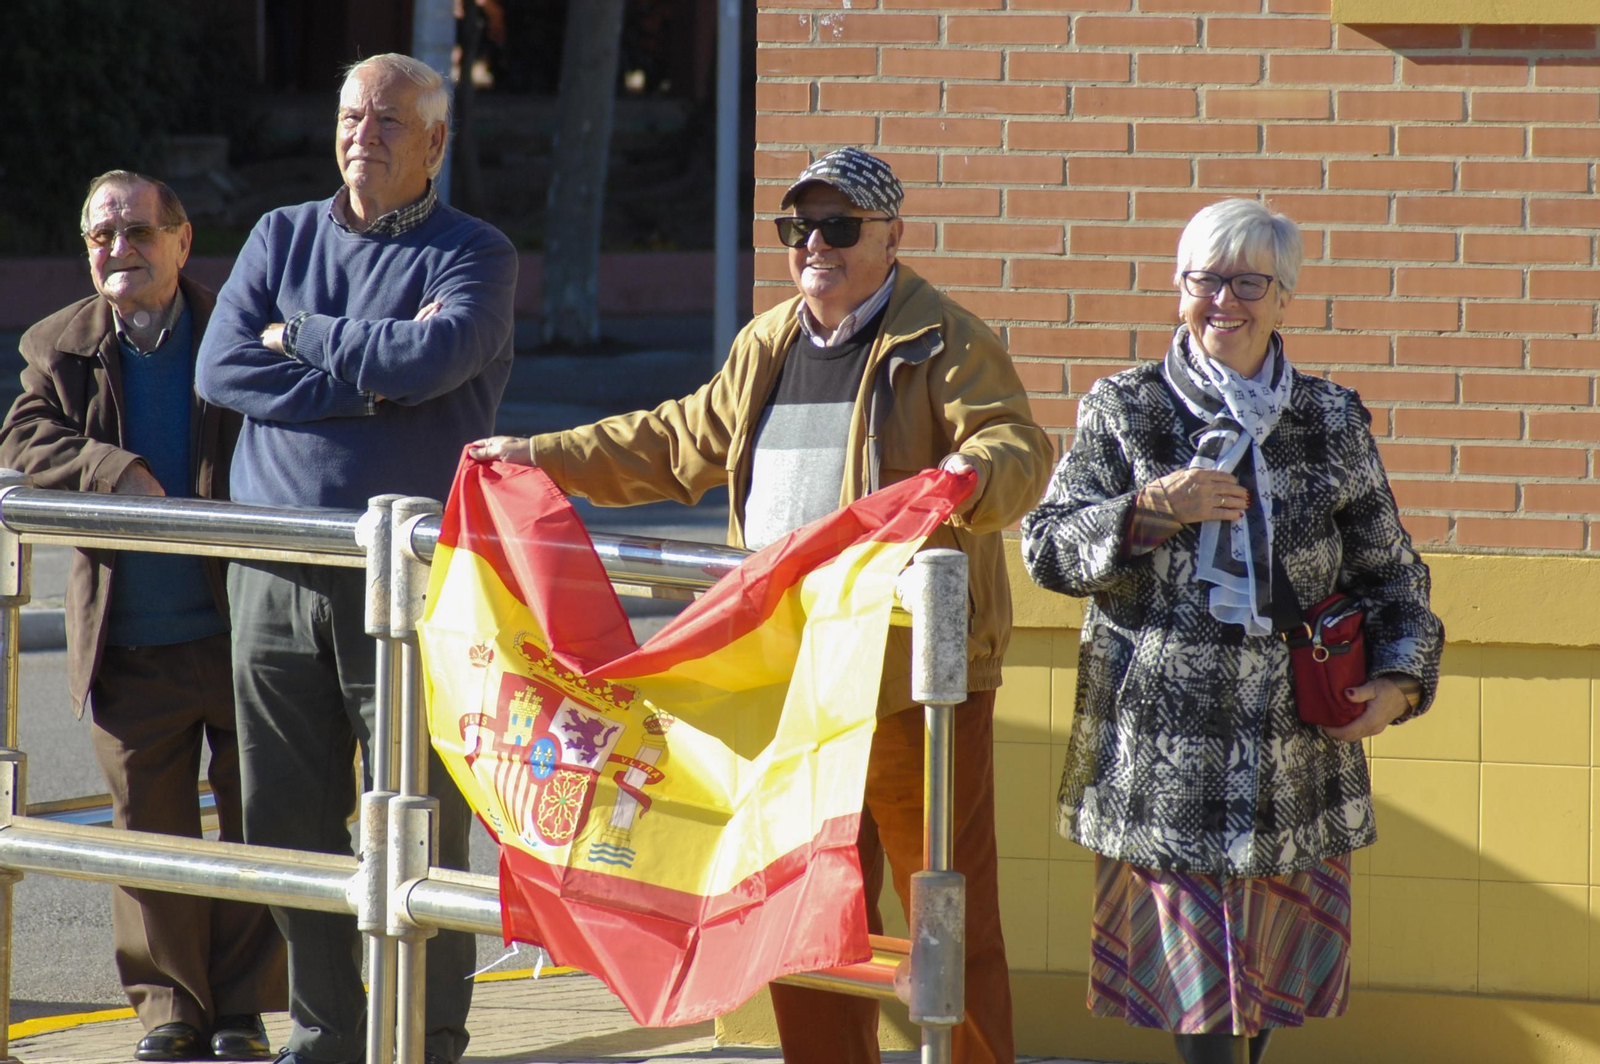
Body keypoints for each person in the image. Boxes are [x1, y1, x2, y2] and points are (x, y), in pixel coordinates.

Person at [469, 146, 1051, 1064]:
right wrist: (541, 456)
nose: (815, 243)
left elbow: (1017, 443)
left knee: (949, 911)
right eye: (799, 226)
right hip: (789, 687)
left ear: (893, 236)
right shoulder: (767, 341)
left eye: (840, 225)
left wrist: (971, 477)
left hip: (910, 683)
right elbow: (676, 441)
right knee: (801, 909)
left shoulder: (944, 339)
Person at [1020, 198, 1444, 1064]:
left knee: (1256, 1003)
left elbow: (1391, 574)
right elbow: (1048, 551)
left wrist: (1400, 681)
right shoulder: (1128, 409)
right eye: (1205, 279)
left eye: (1249, 281)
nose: (1226, 300)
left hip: (1293, 754)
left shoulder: (1327, 420)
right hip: (1165, 755)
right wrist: (1148, 509)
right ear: (1179, 289)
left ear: (1284, 298)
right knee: (1201, 1009)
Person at [195, 53, 517, 1064]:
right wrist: (368, 380)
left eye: (386, 121)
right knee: (287, 814)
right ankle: (328, 1033)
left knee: (418, 814)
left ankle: (424, 1034)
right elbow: (221, 366)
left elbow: (437, 359)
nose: (361, 134)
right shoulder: (279, 233)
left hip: (412, 579)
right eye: (349, 116)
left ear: (435, 143)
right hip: (275, 568)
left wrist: (305, 336)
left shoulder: (476, 251)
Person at [0, 171, 286, 1062]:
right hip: (128, 642)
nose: (118, 250)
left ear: (181, 241)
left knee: (255, 823)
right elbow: (20, 437)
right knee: (149, 836)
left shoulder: (236, 328)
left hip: (240, 626)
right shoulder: (59, 343)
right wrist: (104, 466)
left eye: (137, 233)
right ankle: (170, 1010)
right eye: (100, 237)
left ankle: (239, 1011)